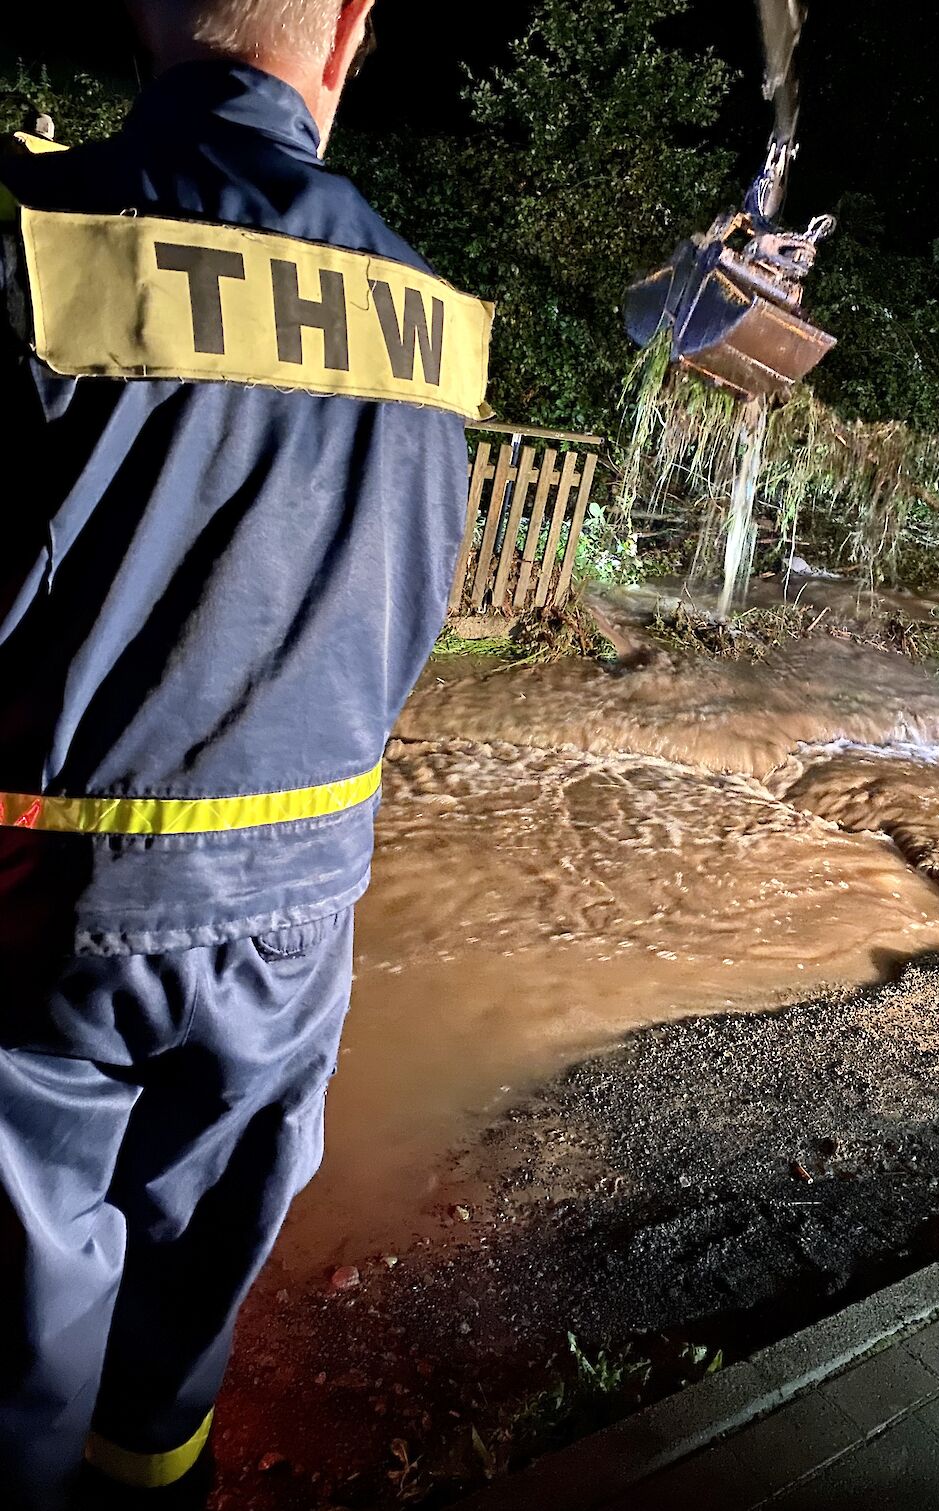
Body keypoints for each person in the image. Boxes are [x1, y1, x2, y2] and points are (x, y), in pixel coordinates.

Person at [0, 2, 491, 1505]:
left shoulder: (45, 241)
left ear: (145, 18)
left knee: (20, 1310)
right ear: (346, 32)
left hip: (53, 894)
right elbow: (410, 609)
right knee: (189, 1299)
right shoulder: (431, 315)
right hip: (304, 903)